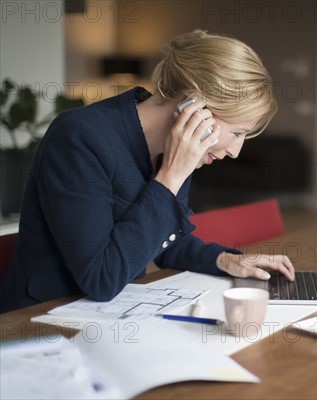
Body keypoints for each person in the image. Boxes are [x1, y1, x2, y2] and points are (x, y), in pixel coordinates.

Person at [0, 30, 294, 312]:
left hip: (112, 313)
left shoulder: (179, 145)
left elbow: (164, 241)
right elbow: (101, 278)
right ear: (196, 108)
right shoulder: (79, 138)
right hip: (40, 319)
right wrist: (171, 176)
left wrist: (225, 260)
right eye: (237, 132)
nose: (235, 152)